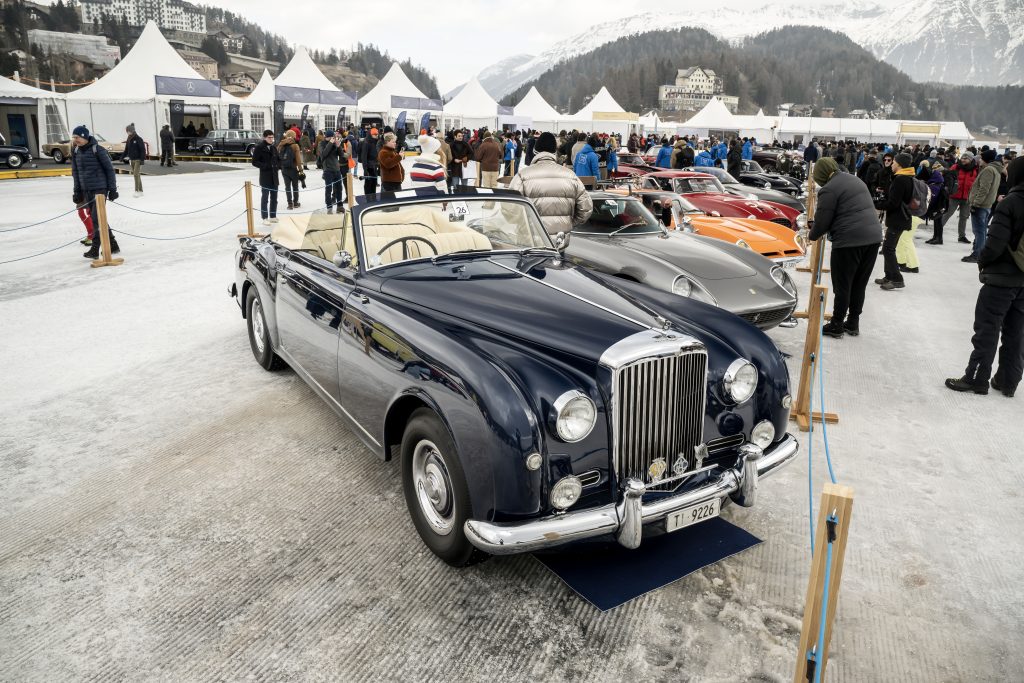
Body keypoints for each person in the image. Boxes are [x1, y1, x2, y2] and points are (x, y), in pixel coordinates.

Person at [945, 157, 1024, 397]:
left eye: (1009, 172)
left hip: (1001, 279)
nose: (1006, 176)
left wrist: (983, 262)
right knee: (1017, 332)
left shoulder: (1012, 201)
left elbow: (995, 244)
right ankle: (1008, 381)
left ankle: (977, 378)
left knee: (987, 329)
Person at [808, 157, 884, 338]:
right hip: (873, 237)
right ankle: (853, 323)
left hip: (849, 240)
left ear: (821, 175)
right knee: (859, 283)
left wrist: (812, 235)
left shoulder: (829, 189)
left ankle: (836, 324)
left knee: (843, 285)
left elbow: (823, 220)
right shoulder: (855, 180)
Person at [507, 131, 593, 236]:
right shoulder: (571, 176)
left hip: (531, 240)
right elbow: (586, 208)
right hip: (559, 240)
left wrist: (524, 225)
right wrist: (567, 223)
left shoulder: (522, 176)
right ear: (554, 152)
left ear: (535, 151)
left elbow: (509, 210)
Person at [70, 125, 120, 259]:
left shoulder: (98, 150)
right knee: (98, 218)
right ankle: (113, 244)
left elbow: (110, 170)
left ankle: (95, 248)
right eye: (74, 137)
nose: (75, 140)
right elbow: (75, 173)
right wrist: (77, 191)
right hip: (86, 190)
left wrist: (113, 189)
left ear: (85, 137)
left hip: (100, 190)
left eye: (77, 137)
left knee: (96, 218)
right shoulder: (76, 151)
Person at [874, 152, 915, 290]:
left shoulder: (901, 179)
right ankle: (889, 276)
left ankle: (897, 279)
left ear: (899, 164)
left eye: (894, 162)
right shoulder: (906, 177)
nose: (892, 164)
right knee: (888, 248)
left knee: (888, 249)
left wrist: (877, 204)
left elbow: (894, 203)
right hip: (900, 218)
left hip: (898, 219)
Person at [964, 149, 1003, 263]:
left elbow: (984, 189)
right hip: (986, 205)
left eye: (981, 158)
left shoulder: (989, 170)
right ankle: (979, 252)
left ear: (985, 159)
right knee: (982, 230)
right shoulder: (995, 169)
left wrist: (976, 203)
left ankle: (977, 254)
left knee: (979, 231)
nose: (979, 160)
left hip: (981, 205)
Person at [942, 151, 979, 245]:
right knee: (947, 214)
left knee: (964, 217)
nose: (963, 160)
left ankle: (961, 236)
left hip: (968, 197)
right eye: (962, 158)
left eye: (966, 158)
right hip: (954, 196)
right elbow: (948, 178)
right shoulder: (956, 167)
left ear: (971, 159)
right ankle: (938, 232)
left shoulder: (976, 169)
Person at [251, 130, 281, 226]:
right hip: (265, 177)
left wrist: (278, 166)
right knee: (265, 198)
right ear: (264, 137)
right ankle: (264, 217)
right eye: (269, 137)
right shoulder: (259, 148)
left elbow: (278, 159)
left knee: (274, 198)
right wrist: (265, 166)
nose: (271, 139)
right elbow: (254, 162)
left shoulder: (274, 148)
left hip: (274, 177)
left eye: (272, 137)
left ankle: (272, 216)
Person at [319, 129, 344, 212]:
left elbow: (341, 155)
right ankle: (329, 207)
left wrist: (338, 146)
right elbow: (324, 154)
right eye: (330, 138)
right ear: (326, 137)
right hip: (328, 170)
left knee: (339, 188)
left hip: (336, 169)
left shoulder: (334, 143)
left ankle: (340, 206)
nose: (331, 139)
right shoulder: (321, 144)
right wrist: (330, 143)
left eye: (332, 137)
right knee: (328, 189)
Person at [278, 130, 303, 210]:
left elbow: (277, 154)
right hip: (293, 169)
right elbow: (298, 159)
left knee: (287, 187)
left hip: (284, 169)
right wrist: (301, 170)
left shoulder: (281, 144)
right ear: (294, 136)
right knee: (295, 186)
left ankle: (289, 204)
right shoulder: (295, 146)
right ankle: (295, 203)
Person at [124, 123, 145, 198]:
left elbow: (142, 150)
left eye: (128, 131)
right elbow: (126, 149)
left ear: (132, 131)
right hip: (132, 159)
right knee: (137, 175)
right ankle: (141, 190)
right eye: (127, 131)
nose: (127, 132)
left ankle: (136, 191)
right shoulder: (129, 139)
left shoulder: (138, 139)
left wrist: (142, 160)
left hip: (138, 160)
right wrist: (122, 157)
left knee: (136, 174)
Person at [357, 127, 381, 196]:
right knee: (368, 184)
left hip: (374, 166)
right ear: (371, 135)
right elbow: (364, 157)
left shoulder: (376, 142)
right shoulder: (366, 143)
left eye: (377, 134)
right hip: (369, 167)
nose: (376, 136)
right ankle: (367, 199)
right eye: (375, 134)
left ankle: (373, 198)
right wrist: (365, 169)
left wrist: (378, 165)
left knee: (374, 184)